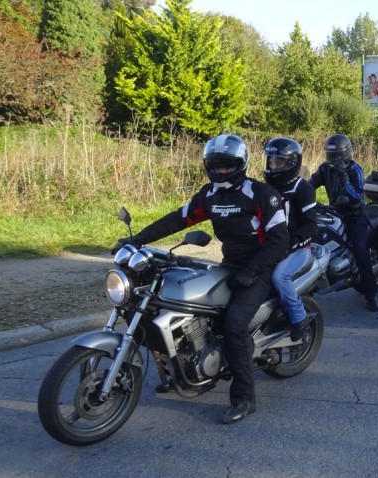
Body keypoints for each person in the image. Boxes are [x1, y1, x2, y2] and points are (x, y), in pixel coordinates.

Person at [112, 134, 289, 425]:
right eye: (215, 164)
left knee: (234, 325)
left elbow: (280, 240)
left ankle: (244, 398)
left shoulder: (261, 194)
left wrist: (252, 271)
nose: (221, 170)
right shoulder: (209, 195)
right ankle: (180, 373)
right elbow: (178, 218)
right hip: (230, 266)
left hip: (262, 268)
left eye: (227, 164)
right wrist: (138, 239)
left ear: (241, 163)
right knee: (171, 306)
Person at [309, 133, 378, 312]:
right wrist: (303, 197)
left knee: (360, 251)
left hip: (354, 215)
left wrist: (343, 176)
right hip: (333, 211)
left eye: (337, 156)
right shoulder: (325, 168)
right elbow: (309, 186)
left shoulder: (355, 170)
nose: (334, 160)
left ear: (346, 153)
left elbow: (357, 195)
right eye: (331, 155)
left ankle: (370, 294)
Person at [262, 137, 318, 341]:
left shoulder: (303, 188)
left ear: (292, 163)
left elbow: (311, 227)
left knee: (279, 277)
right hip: (271, 246)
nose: (272, 166)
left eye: (278, 162)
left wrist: (289, 246)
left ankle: (298, 317)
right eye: (270, 161)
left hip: (298, 249)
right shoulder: (265, 188)